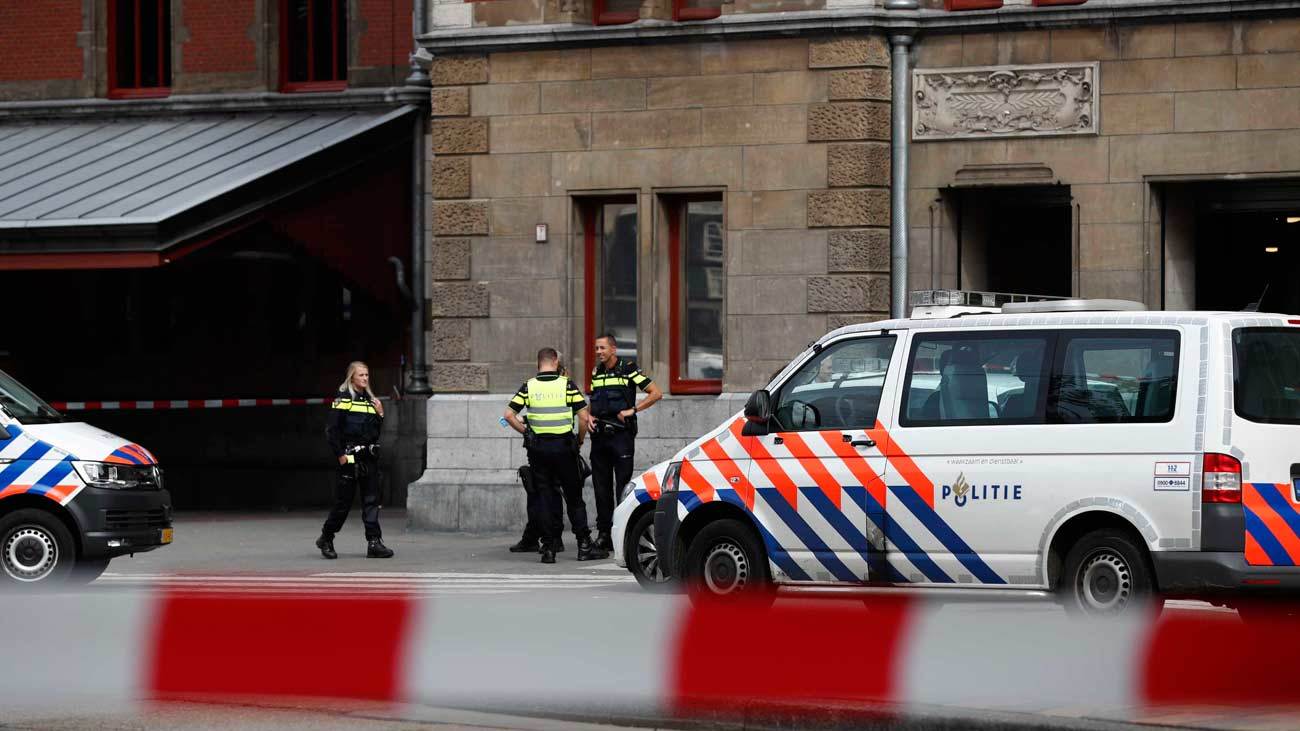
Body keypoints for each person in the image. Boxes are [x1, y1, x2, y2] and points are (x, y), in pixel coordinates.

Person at [504, 348, 607, 563]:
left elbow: (508, 415)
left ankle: (549, 548)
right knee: (573, 497)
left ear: (538, 363)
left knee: (545, 497)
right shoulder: (566, 384)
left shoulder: (529, 386)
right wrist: (579, 440)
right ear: (556, 361)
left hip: (538, 451)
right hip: (563, 449)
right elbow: (583, 417)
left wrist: (527, 432)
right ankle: (584, 546)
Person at [585, 333, 662, 552]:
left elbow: (656, 393)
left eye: (602, 348)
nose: (598, 352)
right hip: (599, 437)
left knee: (622, 487)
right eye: (596, 348)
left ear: (613, 349)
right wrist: (589, 416)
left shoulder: (628, 369)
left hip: (621, 437)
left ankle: (624, 534)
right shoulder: (596, 372)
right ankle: (604, 535)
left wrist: (633, 410)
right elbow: (594, 400)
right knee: (601, 489)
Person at [316, 361, 394, 559]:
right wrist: (340, 455)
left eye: (367, 375)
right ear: (352, 377)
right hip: (349, 458)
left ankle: (374, 542)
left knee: (371, 501)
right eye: (361, 375)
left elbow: (374, 433)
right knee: (343, 503)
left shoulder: (371, 400)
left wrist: (381, 414)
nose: (365, 378)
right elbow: (331, 430)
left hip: (368, 458)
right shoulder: (344, 398)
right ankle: (326, 538)